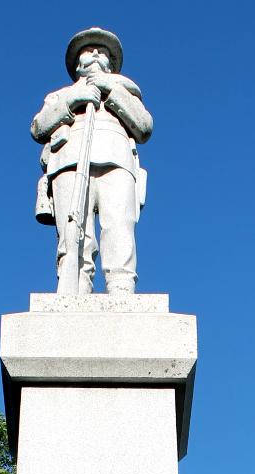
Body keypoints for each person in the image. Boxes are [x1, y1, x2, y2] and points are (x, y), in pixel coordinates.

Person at [31, 27, 152, 294]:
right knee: (74, 234)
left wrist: (111, 91)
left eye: (102, 51)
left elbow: (144, 127)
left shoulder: (125, 91)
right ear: (77, 64)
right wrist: (72, 100)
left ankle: (121, 287)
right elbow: (38, 128)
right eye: (88, 50)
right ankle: (76, 286)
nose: (96, 53)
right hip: (68, 162)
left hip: (117, 160)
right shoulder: (59, 96)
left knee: (119, 226)